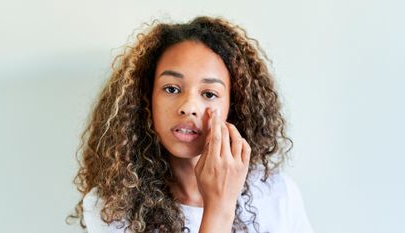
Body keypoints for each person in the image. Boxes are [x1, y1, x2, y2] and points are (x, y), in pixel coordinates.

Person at [67, 16, 314, 233]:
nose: (188, 106)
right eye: (172, 89)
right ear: (146, 98)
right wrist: (219, 208)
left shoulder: (276, 194)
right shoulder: (112, 206)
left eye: (209, 94)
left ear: (233, 105)